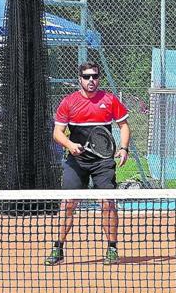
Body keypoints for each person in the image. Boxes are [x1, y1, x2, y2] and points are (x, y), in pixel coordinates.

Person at [45, 61, 131, 266]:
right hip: (76, 161)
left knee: (107, 203)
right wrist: (69, 144)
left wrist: (124, 147)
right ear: (80, 79)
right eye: (87, 77)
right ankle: (58, 248)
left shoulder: (110, 100)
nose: (91, 80)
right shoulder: (69, 102)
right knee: (67, 204)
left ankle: (112, 248)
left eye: (95, 76)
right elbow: (57, 132)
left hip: (102, 161)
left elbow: (124, 126)